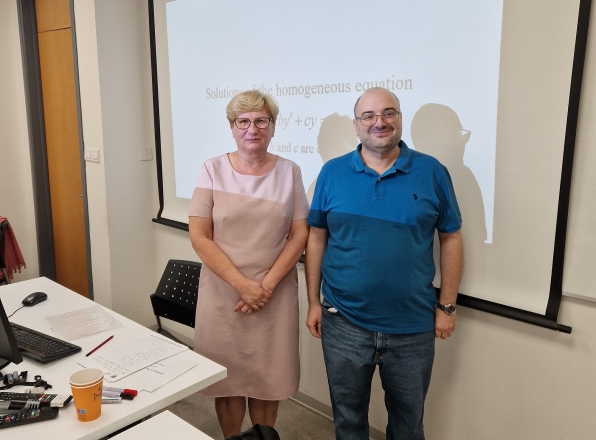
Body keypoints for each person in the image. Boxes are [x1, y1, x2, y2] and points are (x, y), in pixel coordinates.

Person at [305, 87, 464, 440]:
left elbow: (451, 239)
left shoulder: (432, 171)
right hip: (343, 323)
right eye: (369, 115)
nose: (379, 122)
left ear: (400, 119)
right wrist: (313, 302)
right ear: (356, 124)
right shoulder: (332, 173)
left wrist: (447, 307)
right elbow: (316, 238)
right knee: (348, 422)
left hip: (412, 327)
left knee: (408, 426)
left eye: (389, 113)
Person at [189, 90, 309, 438]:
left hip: (274, 296)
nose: (252, 129)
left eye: (260, 121)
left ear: (273, 126)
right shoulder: (212, 169)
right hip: (223, 295)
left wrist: (264, 288)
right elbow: (200, 236)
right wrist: (244, 286)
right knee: (227, 381)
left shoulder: (289, 172)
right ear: (232, 127)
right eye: (243, 122)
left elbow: (299, 234)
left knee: (267, 381)